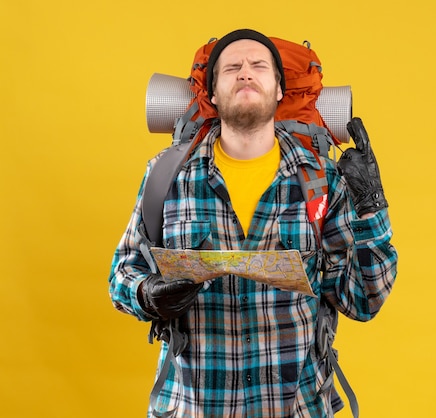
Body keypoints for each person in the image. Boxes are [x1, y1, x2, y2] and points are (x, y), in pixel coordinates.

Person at [109, 28, 398, 417]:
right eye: (231, 68)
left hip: (297, 408)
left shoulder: (322, 180)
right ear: (212, 93)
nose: (246, 73)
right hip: (193, 408)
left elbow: (363, 301)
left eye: (259, 65)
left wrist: (370, 209)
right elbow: (123, 275)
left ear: (279, 89)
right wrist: (147, 294)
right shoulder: (166, 175)